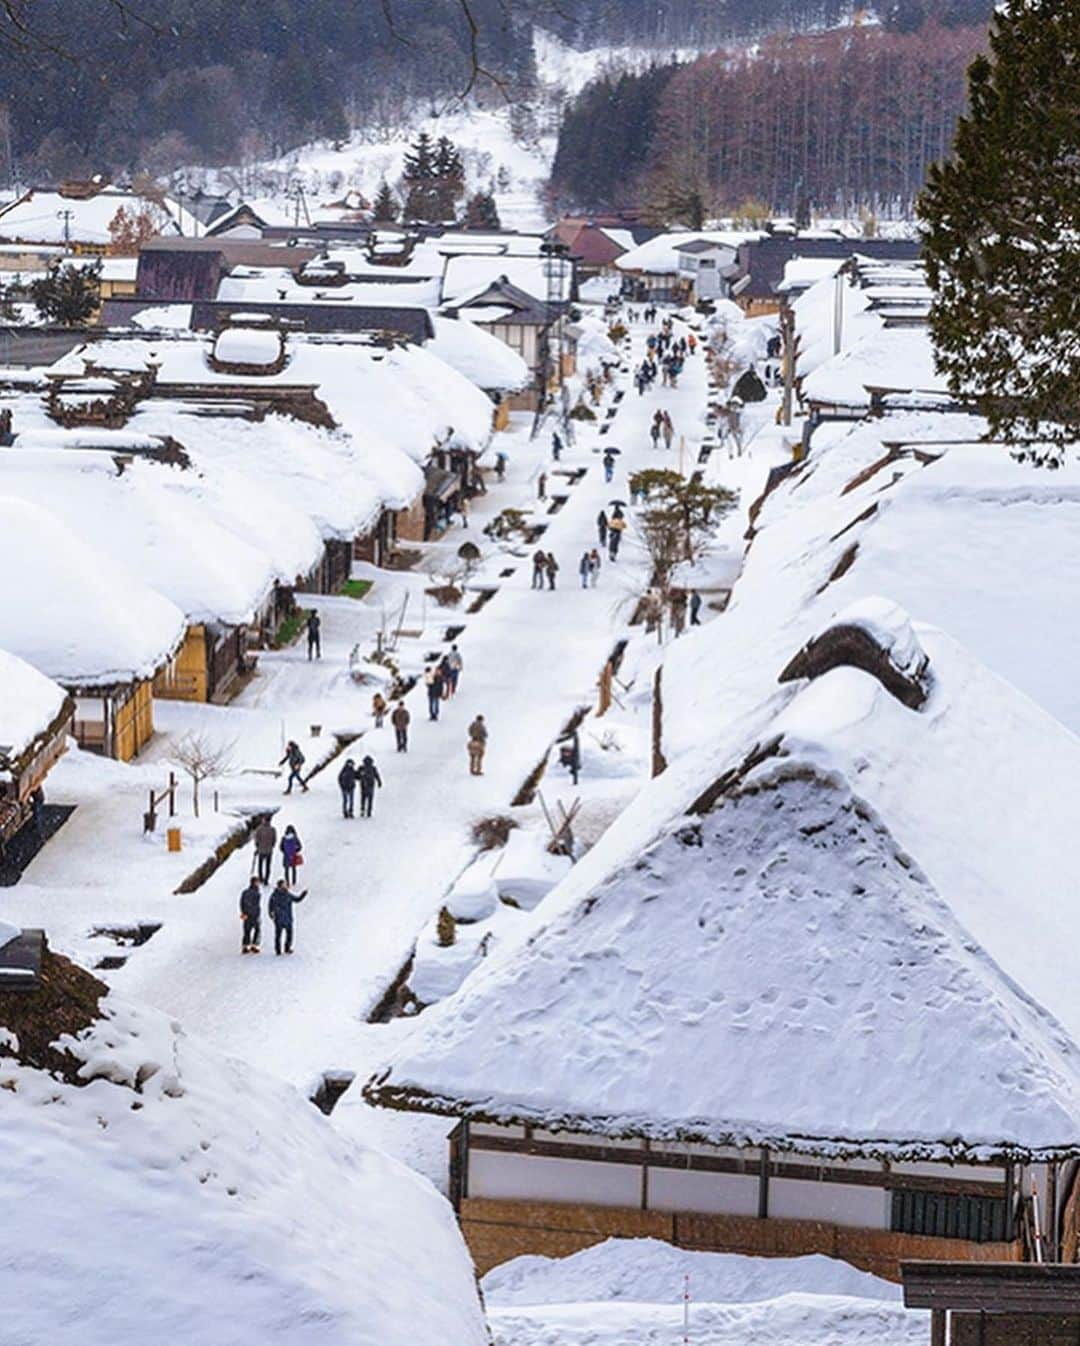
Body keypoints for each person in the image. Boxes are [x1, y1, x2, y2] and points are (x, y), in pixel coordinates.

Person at [269, 879, 307, 956]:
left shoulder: (286, 894)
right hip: (280, 918)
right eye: (284, 884)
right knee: (279, 935)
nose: (286, 885)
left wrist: (303, 894)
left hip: (286, 918)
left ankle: (286, 948)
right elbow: (270, 907)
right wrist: (272, 915)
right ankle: (279, 950)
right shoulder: (275, 896)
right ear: (280, 886)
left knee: (288, 934)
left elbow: (297, 899)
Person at [240, 878, 262, 954]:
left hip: (250, 914)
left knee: (247, 930)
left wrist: (244, 912)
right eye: (258, 882)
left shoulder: (247, 892)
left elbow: (242, 903)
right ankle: (252, 945)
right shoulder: (255, 893)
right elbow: (245, 903)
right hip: (253, 914)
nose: (259, 884)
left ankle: (246, 946)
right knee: (255, 930)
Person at [253, 816, 276, 883]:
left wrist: (257, 846)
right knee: (268, 866)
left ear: (264, 820)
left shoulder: (259, 829)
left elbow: (256, 839)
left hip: (261, 850)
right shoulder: (272, 829)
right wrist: (271, 846)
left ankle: (260, 878)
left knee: (260, 865)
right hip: (269, 850)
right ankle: (266, 879)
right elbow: (274, 840)